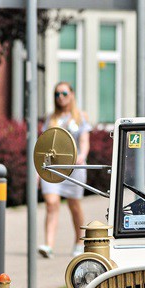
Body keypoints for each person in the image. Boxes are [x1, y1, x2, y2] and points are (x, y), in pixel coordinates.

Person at [38, 81, 92, 258]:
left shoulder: (80, 117)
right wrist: (38, 171)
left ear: (72, 94)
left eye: (64, 93)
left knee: (74, 205)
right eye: (57, 94)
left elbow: (84, 141)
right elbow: (44, 144)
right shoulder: (50, 118)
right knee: (51, 203)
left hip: (74, 168)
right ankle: (48, 245)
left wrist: (82, 155)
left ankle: (79, 241)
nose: (60, 97)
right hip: (53, 168)